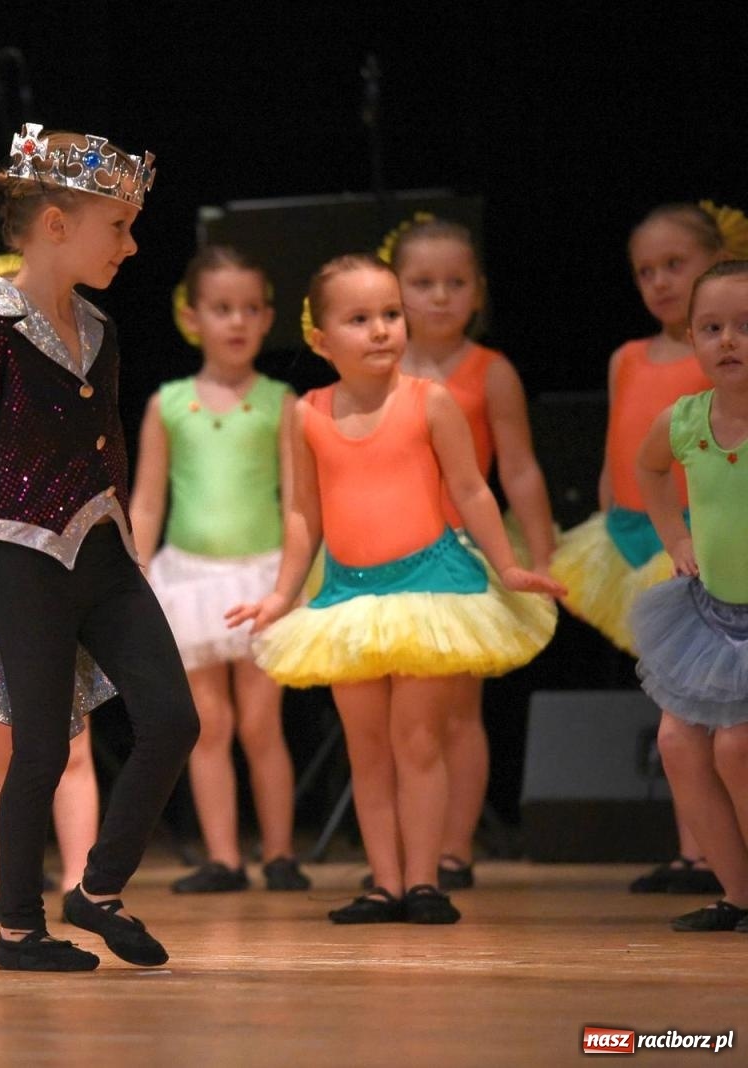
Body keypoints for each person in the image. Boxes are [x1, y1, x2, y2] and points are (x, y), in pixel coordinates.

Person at [0, 124, 198, 972]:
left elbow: (108, 442)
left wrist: (118, 525)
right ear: (55, 225)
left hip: (103, 550)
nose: (130, 243)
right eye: (116, 226)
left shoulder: (101, 330)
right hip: (25, 559)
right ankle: (20, 929)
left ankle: (99, 889)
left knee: (171, 719)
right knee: (42, 747)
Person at [229, 254, 562, 925]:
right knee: (367, 749)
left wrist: (508, 565)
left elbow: (471, 490)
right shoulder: (306, 414)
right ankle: (383, 883)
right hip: (349, 599)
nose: (381, 330)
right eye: (359, 319)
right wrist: (283, 595)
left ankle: (424, 880)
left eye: (390, 315)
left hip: (430, 589)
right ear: (321, 340)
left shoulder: (429, 401)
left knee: (418, 741)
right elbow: (302, 515)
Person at [552, 202, 746, 894]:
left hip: (731, 581)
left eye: (677, 266)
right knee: (675, 725)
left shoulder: (730, 380)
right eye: (647, 272)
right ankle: (716, 873)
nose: (729, 341)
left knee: (725, 730)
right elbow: (639, 459)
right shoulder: (657, 386)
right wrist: (646, 524)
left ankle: (726, 871)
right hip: (671, 572)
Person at [385, 216, 557, 889]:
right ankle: (404, 845)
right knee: (398, 712)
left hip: (464, 555)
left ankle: (454, 846)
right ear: (396, 288)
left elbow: (517, 470)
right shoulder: (381, 365)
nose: (439, 296)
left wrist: (542, 549)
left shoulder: (492, 372)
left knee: (458, 709)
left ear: (478, 292)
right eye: (422, 283)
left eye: (455, 283)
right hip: (388, 555)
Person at [131, 246, 307, 893]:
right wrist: (138, 570)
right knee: (207, 726)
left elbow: (296, 501)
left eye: (249, 309)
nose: (236, 321)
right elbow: (147, 499)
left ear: (267, 318)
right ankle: (224, 857)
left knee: (262, 723)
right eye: (221, 308)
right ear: (191, 315)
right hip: (189, 581)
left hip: (260, 579)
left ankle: (281, 852)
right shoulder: (169, 403)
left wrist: (292, 579)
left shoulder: (281, 401)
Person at [631, 260, 748, 933]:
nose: (728, 340)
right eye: (712, 328)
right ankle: (736, 893)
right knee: (679, 743)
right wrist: (675, 537)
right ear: (693, 338)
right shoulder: (684, 420)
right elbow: (649, 471)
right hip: (710, 613)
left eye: (745, 327)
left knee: (737, 748)